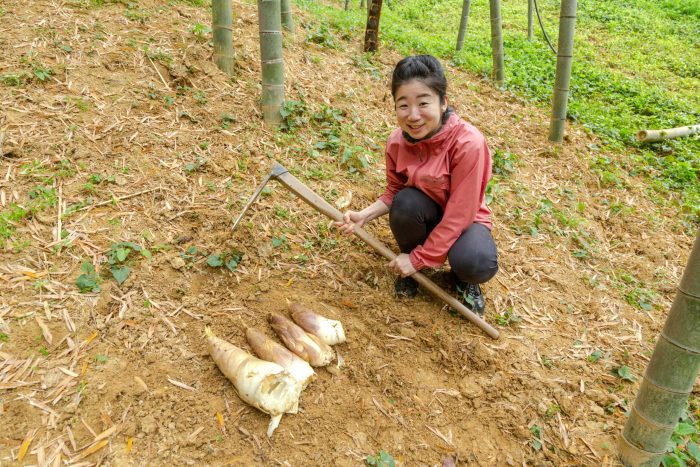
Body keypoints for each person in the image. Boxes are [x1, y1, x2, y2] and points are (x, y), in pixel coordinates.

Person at [335, 55, 498, 316]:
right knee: (406, 203)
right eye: (403, 105)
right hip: (427, 213)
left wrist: (418, 259)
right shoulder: (398, 142)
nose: (413, 116)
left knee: (475, 261)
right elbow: (395, 191)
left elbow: (460, 215)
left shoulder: (468, 144)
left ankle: (463, 280)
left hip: (466, 223)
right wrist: (363, 215)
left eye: (423, 103)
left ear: (443, 103)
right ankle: (411, 265)